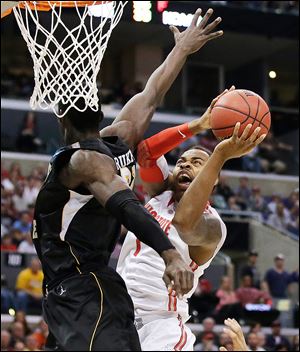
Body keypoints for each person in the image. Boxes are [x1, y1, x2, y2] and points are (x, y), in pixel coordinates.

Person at [31, 8, 223, 350]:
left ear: (60, 119)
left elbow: (125, 204)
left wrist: (169, 253)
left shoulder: (82, 162)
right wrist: (181, 50)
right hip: (78, 293)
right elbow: (151, 95)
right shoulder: (119, 142)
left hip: (85, 290)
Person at [117, 90, 266, 349]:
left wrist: (219, 155)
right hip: (117, 313)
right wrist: (198, 125)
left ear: (213, 178)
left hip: (160, 325)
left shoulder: (213, 226)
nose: (185, 165)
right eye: (182, 162)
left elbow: (184, 223)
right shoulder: (161, 194)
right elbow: (145, 153)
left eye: (197, 162)